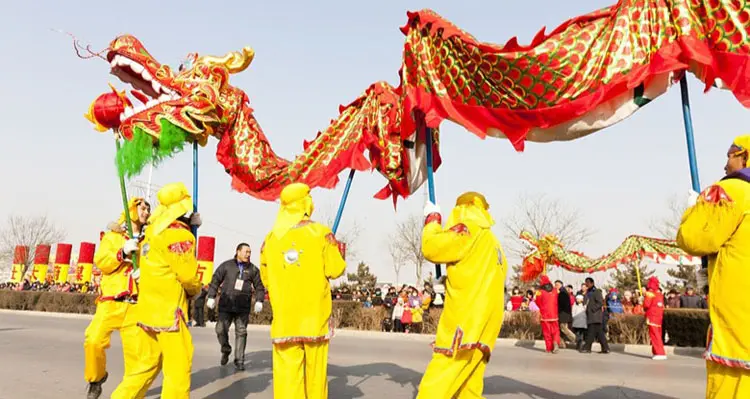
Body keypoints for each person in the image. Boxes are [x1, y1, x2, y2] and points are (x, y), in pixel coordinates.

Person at [110, 182, 202, 399]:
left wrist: (188, 223)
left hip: (147, 311)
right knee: (178, 370)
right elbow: (188, 276)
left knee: (145, 367)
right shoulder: (179, 235)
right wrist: (195, 290)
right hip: (170, 314)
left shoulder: (151, 232)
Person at [677, 134, 750, 398]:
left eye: (730, 154)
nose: (725, 164)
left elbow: (694, 238)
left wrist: (697, 209)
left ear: (745, 156)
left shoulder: (732, 190)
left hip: (738, 328)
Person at [416, 191, 507, 398]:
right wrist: (449, 281)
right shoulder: (494, 243)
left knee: (437, 383)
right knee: (469, 387)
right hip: (485, 326)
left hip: (465, 323)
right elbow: (477, 276)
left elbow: (432, 248)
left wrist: (432, 220)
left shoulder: (468, 228)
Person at [259, 183, 346, 398]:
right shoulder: (321, 233)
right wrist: (339, 250)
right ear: (306, 203)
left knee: (287, 377)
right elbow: (335, 269)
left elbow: (266, 279)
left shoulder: (270, 239)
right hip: (313, 317)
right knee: (316, 374)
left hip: (285, 318)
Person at [84, 197, 149, 399]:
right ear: (131, 209)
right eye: (142, 207)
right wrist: (121, 252)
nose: (146, 211)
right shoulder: (112, 237)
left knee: (136, 358)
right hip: (110, 301)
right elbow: (102, 262)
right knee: (93, 340)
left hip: (136, 305)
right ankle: (96, 378)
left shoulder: (151, 239)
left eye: (148, 209)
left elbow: (161, 264)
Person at [206, 243, 266, 371]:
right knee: (220, 329)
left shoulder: (253, 270)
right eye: (246, 251)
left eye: (250, 252)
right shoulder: (226, 266)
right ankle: (226, 349)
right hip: (226, 305)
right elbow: (215, 280)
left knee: (241, 332)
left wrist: (259, 300)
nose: (248, 254)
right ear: (238, 252)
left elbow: (260, 287)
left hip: (242, 306)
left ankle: (239, 360)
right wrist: (211, 296)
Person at [580, 277, 610, 354]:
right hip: (591, 316)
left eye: (588, 282)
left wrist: (592, 309)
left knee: (591, 333)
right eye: (586, 282)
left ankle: (587, 348)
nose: (586, 284)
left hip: (595, 316)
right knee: (600, 334)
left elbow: (600, 303)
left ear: (592, 283)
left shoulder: (596, 292)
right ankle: (605, 348)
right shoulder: (588, 292)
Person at [643, 276, 667, 360]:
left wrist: (644, 297)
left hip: (652, 316)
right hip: (659, 317)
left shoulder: (649, 293)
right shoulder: (659, 293)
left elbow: (646, 305)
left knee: (654, 335)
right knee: (658, 334)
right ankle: (656, 352)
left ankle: (660, 353)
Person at [535, 275, 560, 353]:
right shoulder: (555, 290)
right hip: (554, 315)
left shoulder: (540, 292)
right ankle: (555, 342)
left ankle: (549, 348)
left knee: (547, 332)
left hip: (544, 315)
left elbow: (537, 302)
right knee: (555, 331)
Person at [555, 279, 576, 346]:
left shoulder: (562, 293)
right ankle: (561, 344)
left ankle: (576, 340)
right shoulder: (563, 292)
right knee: (560, 330)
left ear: (560, 285)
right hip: (563, 314)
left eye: (556, 285)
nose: (555, 286)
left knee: (564, 329)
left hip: (563, 315)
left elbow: (562, 304)